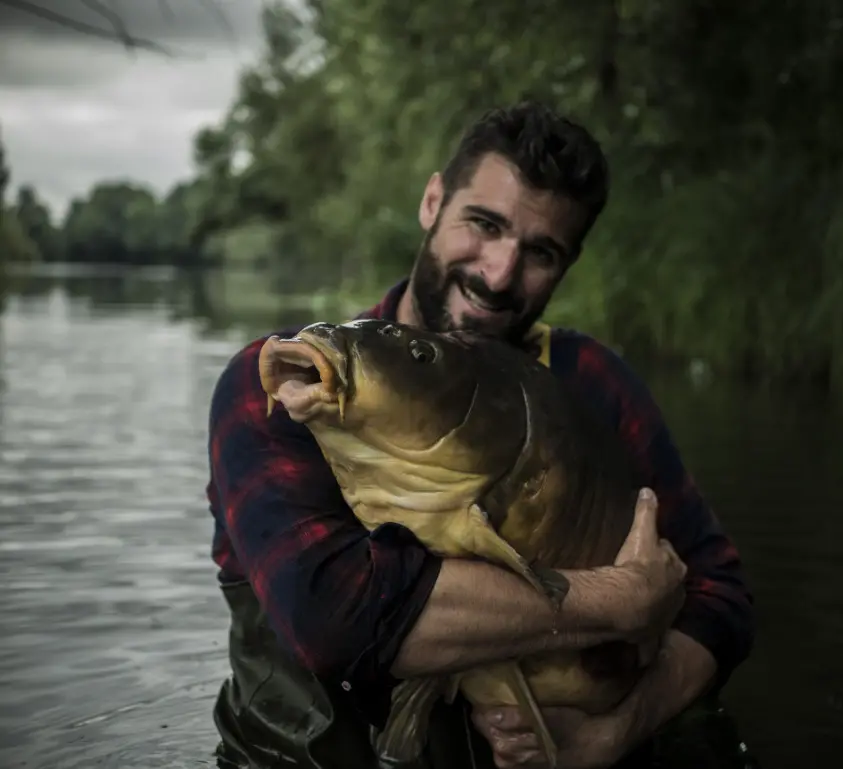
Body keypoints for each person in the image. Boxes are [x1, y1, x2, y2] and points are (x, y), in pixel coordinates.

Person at [205, 101, 756, 769]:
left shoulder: (592, 384)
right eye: (484, 224)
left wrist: (615, 733)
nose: (498, 274)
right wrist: (620, 600)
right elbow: (332, 615)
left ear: (568, 264)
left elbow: (721, 598)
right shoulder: (288, 384)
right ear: (433, 200)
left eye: (540, 252)